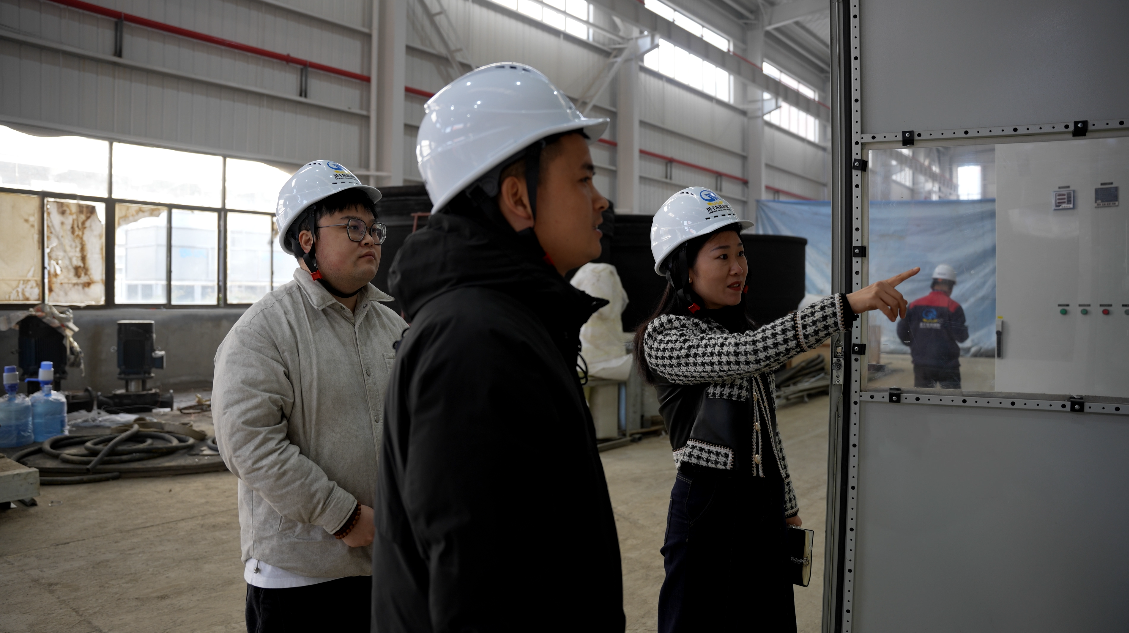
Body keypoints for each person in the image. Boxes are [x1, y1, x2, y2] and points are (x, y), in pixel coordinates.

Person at [372, 63, 625, 632]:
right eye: (583, 180)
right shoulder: (475, 342)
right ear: (517, 196)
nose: (601, 201)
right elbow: (479, 597)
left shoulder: (501, 323)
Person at [634, 187, 918, 632]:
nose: (738, 267)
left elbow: (765, 425)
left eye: (740, 253)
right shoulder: (665, 337)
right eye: (722, 256)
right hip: (707, 509)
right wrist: (846, 305)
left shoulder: (739, 328)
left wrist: (785, 503)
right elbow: (746, 353)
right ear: (683, 267)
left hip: (761, 505)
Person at [212, 160, 406, 632]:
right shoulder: (264, 332)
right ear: (306, 241)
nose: (369, 239)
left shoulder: (393, 327)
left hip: (387, 564)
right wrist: (342, 516)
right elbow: (250, 445)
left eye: (373, 229)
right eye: (352, 227)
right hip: (300, 577)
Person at [896, 263, 969, 389]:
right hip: (948, 366)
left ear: (933, 283)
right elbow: (961, 337)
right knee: (952, 400)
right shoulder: (954, 307)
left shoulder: (914, 305)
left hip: (922, 365)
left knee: (922, 400)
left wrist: (914, 345)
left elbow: (902, 330)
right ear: (950, 286)